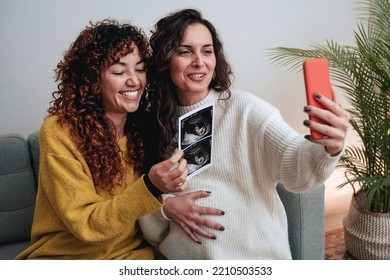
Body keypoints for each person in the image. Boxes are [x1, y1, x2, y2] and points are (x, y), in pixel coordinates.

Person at [139, 8, 351, 259]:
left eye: (207, 51)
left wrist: (329, 148)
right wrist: (165, 207)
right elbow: (149, 226)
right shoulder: (150, 126)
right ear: (165, 59)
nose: (199, 61)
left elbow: (297, 167)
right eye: (185, 51)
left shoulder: (245, 110)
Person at [15, 19, 188, 260]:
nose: (134, 81)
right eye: (119, 71)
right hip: (66, 260)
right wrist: (150, 186)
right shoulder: (59, 133)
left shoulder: (143, 129)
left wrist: (166, 204)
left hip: (131, 258)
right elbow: (87, 224)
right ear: (93, 80)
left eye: (139, 69)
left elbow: (144, 206)